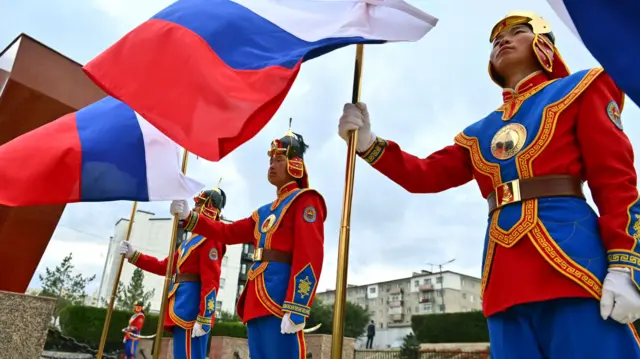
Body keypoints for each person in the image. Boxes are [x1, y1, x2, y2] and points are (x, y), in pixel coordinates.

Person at [338, 10, 640, 359]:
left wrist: (624, 264)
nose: (503, 40)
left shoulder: (582, 88)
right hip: (504, 276)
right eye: (496, 39)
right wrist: (368, 142)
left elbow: (615, 181)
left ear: (545, 43)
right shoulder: (479, 131)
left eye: (518, 31)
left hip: (573, 264)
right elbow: (425, 175)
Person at [169, 124, 326, 359]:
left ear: (296, 163)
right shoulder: (262, 212)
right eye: (270, 159)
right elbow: (227, 232)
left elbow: (310, 255)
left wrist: (297, 305)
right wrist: (190, 218)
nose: (272, 165)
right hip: (257, 297)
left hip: (280, 298)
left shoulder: (305, 200)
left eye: (279, 159)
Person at [119, 186, 227, 359]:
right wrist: (134, 256)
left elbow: (211, 281)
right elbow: (164, 267)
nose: (193, 209)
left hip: (193, 310)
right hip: (181, 306)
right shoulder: (186, 244)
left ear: (210, 208)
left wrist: (205, 316)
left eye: (198, 205)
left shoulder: (210, 237)